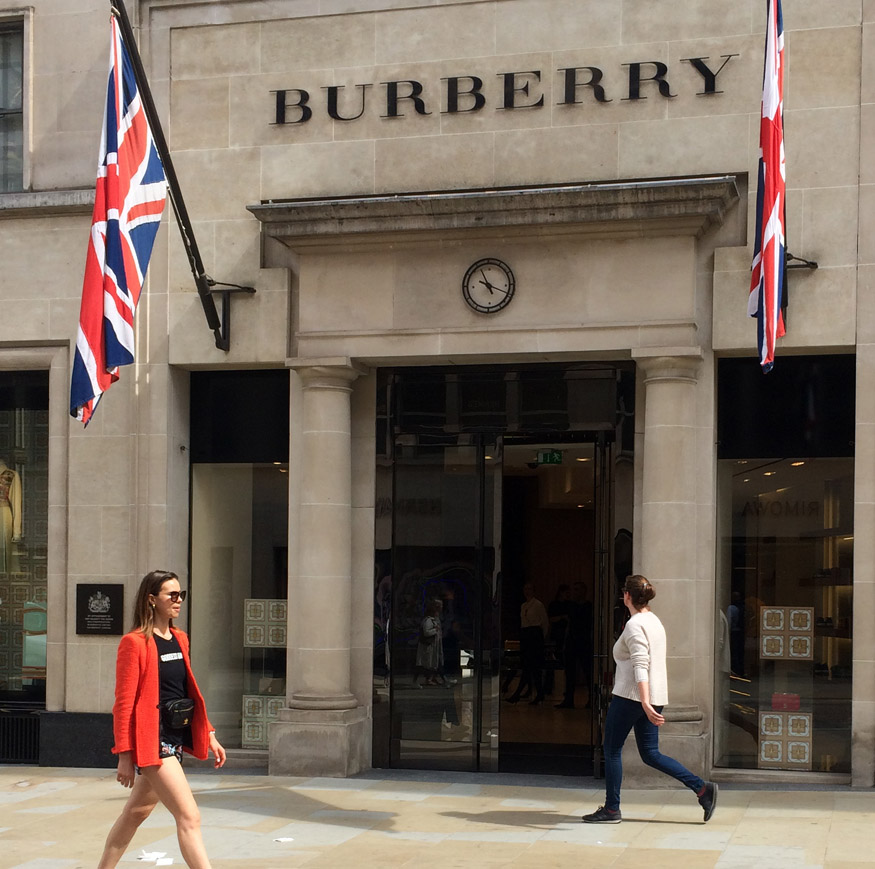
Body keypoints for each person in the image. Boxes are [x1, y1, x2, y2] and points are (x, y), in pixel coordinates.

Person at [98, 570, 226, 869]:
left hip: (176, 734)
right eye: (172, 595)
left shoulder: (180, 638)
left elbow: (186, 691)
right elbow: (124, 704)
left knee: (136, 812)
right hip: (154, 741)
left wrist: (208, 734)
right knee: (189, 816)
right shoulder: (134, 643)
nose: (178, 600)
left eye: (181, 594)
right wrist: (125, 755)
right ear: (152, 599)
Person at [583, 574, 717, 824]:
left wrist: (643, 702)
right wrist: (649, 702)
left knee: (611, 750)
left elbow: (640, 664)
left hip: (631, 697)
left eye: (624, 592)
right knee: (651, 754)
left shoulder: (635, 625)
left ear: (627, 596)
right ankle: (702, 789)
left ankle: (612, 809)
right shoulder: (654, 620)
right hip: (652, 696)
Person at [506, 583, 549, 705]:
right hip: (526, 635)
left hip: (534, 635)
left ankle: (519, 693)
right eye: (525, 589)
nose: (527, 591)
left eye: (529, 589)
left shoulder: (538, 605)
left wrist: (541, 638)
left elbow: (544, 622)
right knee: (529, 665)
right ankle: (538, 693)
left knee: (531, 665)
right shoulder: (523, 605)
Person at [556, 581, 592, 709]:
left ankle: (591, 699)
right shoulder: (571, 606)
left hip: (584, 641)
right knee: (570, 672)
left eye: (578, 590)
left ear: (584, 591)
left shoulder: (589, 607)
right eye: (574, 589)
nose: (575, 592)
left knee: (588, 671)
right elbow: (569, 624)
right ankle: (568, 699)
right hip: (572, 641)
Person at [413, 599, 444, 686]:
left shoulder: (435, 619)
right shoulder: (428, 620)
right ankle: (416, 681)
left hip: (433, 645)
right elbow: (426, 632)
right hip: (427, 646)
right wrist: (435, 630)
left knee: (434, 663)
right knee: (423, 664)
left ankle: (431, 678)